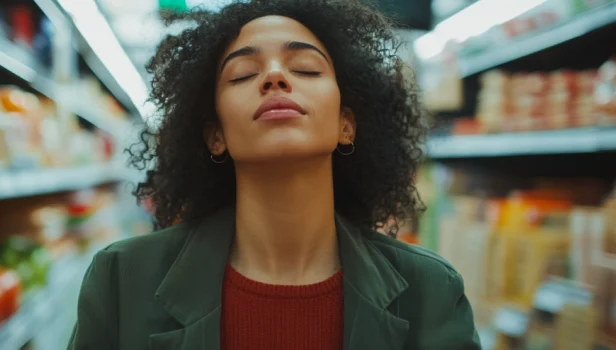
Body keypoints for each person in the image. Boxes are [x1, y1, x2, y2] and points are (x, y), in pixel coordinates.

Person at [68, 0, 481, 349]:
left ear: (346, 124)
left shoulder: (431, 291)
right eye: (243, 75)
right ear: (216, 135)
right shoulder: (122, 280)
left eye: (305, 69)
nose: (274, 77)